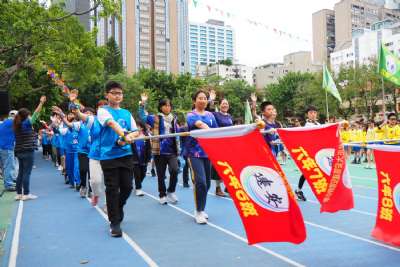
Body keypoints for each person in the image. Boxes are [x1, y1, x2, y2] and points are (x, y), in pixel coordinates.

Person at [97, 81, 138, 237]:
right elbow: (112, 124)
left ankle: (117, 207)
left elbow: (135, 131)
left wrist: (128, 137)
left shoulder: (127, 113)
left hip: (125, 155)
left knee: (127, 187)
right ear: (107, 95)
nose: (117, 95)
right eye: (114, 93)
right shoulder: (102, 111)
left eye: (120, 93)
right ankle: (114, 223)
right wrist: (123, 136)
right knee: (112, 188)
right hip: (108, 156)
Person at [139, 92, 180, 204]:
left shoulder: (174, 118)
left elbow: (178, 131)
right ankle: (162, 195)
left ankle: (171, 191)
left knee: (175, 170)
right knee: (161, 175)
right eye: (165, 105)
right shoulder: (154, 118)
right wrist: (143, 103)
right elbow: (142, 116)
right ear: (161, 107)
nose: (167, 107)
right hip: (159, 151)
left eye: (169, 105)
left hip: (172, 151)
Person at [186, 90, 218, 224]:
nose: (203, 100)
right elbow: (201, 125)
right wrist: (209, 130)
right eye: (200, 98)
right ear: (194, 101)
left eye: (205, 98)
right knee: (201, 182)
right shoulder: (191, 115)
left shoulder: (211, 115)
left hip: (208, 153)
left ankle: (202, 208)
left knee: (208, 183)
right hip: (194, 153)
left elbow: (217, 131)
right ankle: (198, 211)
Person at [14, 96, 46, 201]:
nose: (30, 116)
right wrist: (41, 103)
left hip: (19, 151)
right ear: (26, 116)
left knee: (21, 172)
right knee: (27, 173)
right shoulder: (26, 124)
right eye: (29, 115)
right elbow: (36, 113)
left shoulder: (16, 125)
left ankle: (19, 193)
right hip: (28, 151)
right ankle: (26, 193)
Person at [208, 89, 233, 197]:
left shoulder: (230, 116)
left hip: (229, 145)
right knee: (219, 167)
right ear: (220, 105)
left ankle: (228, 187)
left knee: (231, 165)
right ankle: (218, 188)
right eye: (223, 103)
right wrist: (211, 100)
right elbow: (208, 110)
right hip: (218, 144)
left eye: (226, 104)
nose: (225, 105)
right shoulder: (215, 115)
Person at [295, 105, 320, 202]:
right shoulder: (307, 125)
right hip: (310, 152)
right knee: (306, 173)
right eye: (311, 113)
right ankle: (298, 190)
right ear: (307, 114)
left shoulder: (318, 123)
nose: (313, 114)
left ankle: (298, 190)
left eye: (314, 112)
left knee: (313, 172)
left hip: (318, 152)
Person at [131, 121, 151, 196]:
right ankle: (138, 188)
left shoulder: (146, 135)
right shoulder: (131, 135)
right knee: (137, 174)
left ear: (142, 127)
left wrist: (149, 158)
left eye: (137, 126)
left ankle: (137, 184)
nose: (136, 128)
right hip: (134, 158)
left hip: (143, 158)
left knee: (143, 174)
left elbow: (149, 148)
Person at [0, 110, 17, 191]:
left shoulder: (4, 122)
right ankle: (8, 185)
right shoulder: (13, 123)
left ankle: (9, 180)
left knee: (5, 167)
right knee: (8, 167)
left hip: (2, 146)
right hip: (6, 147)